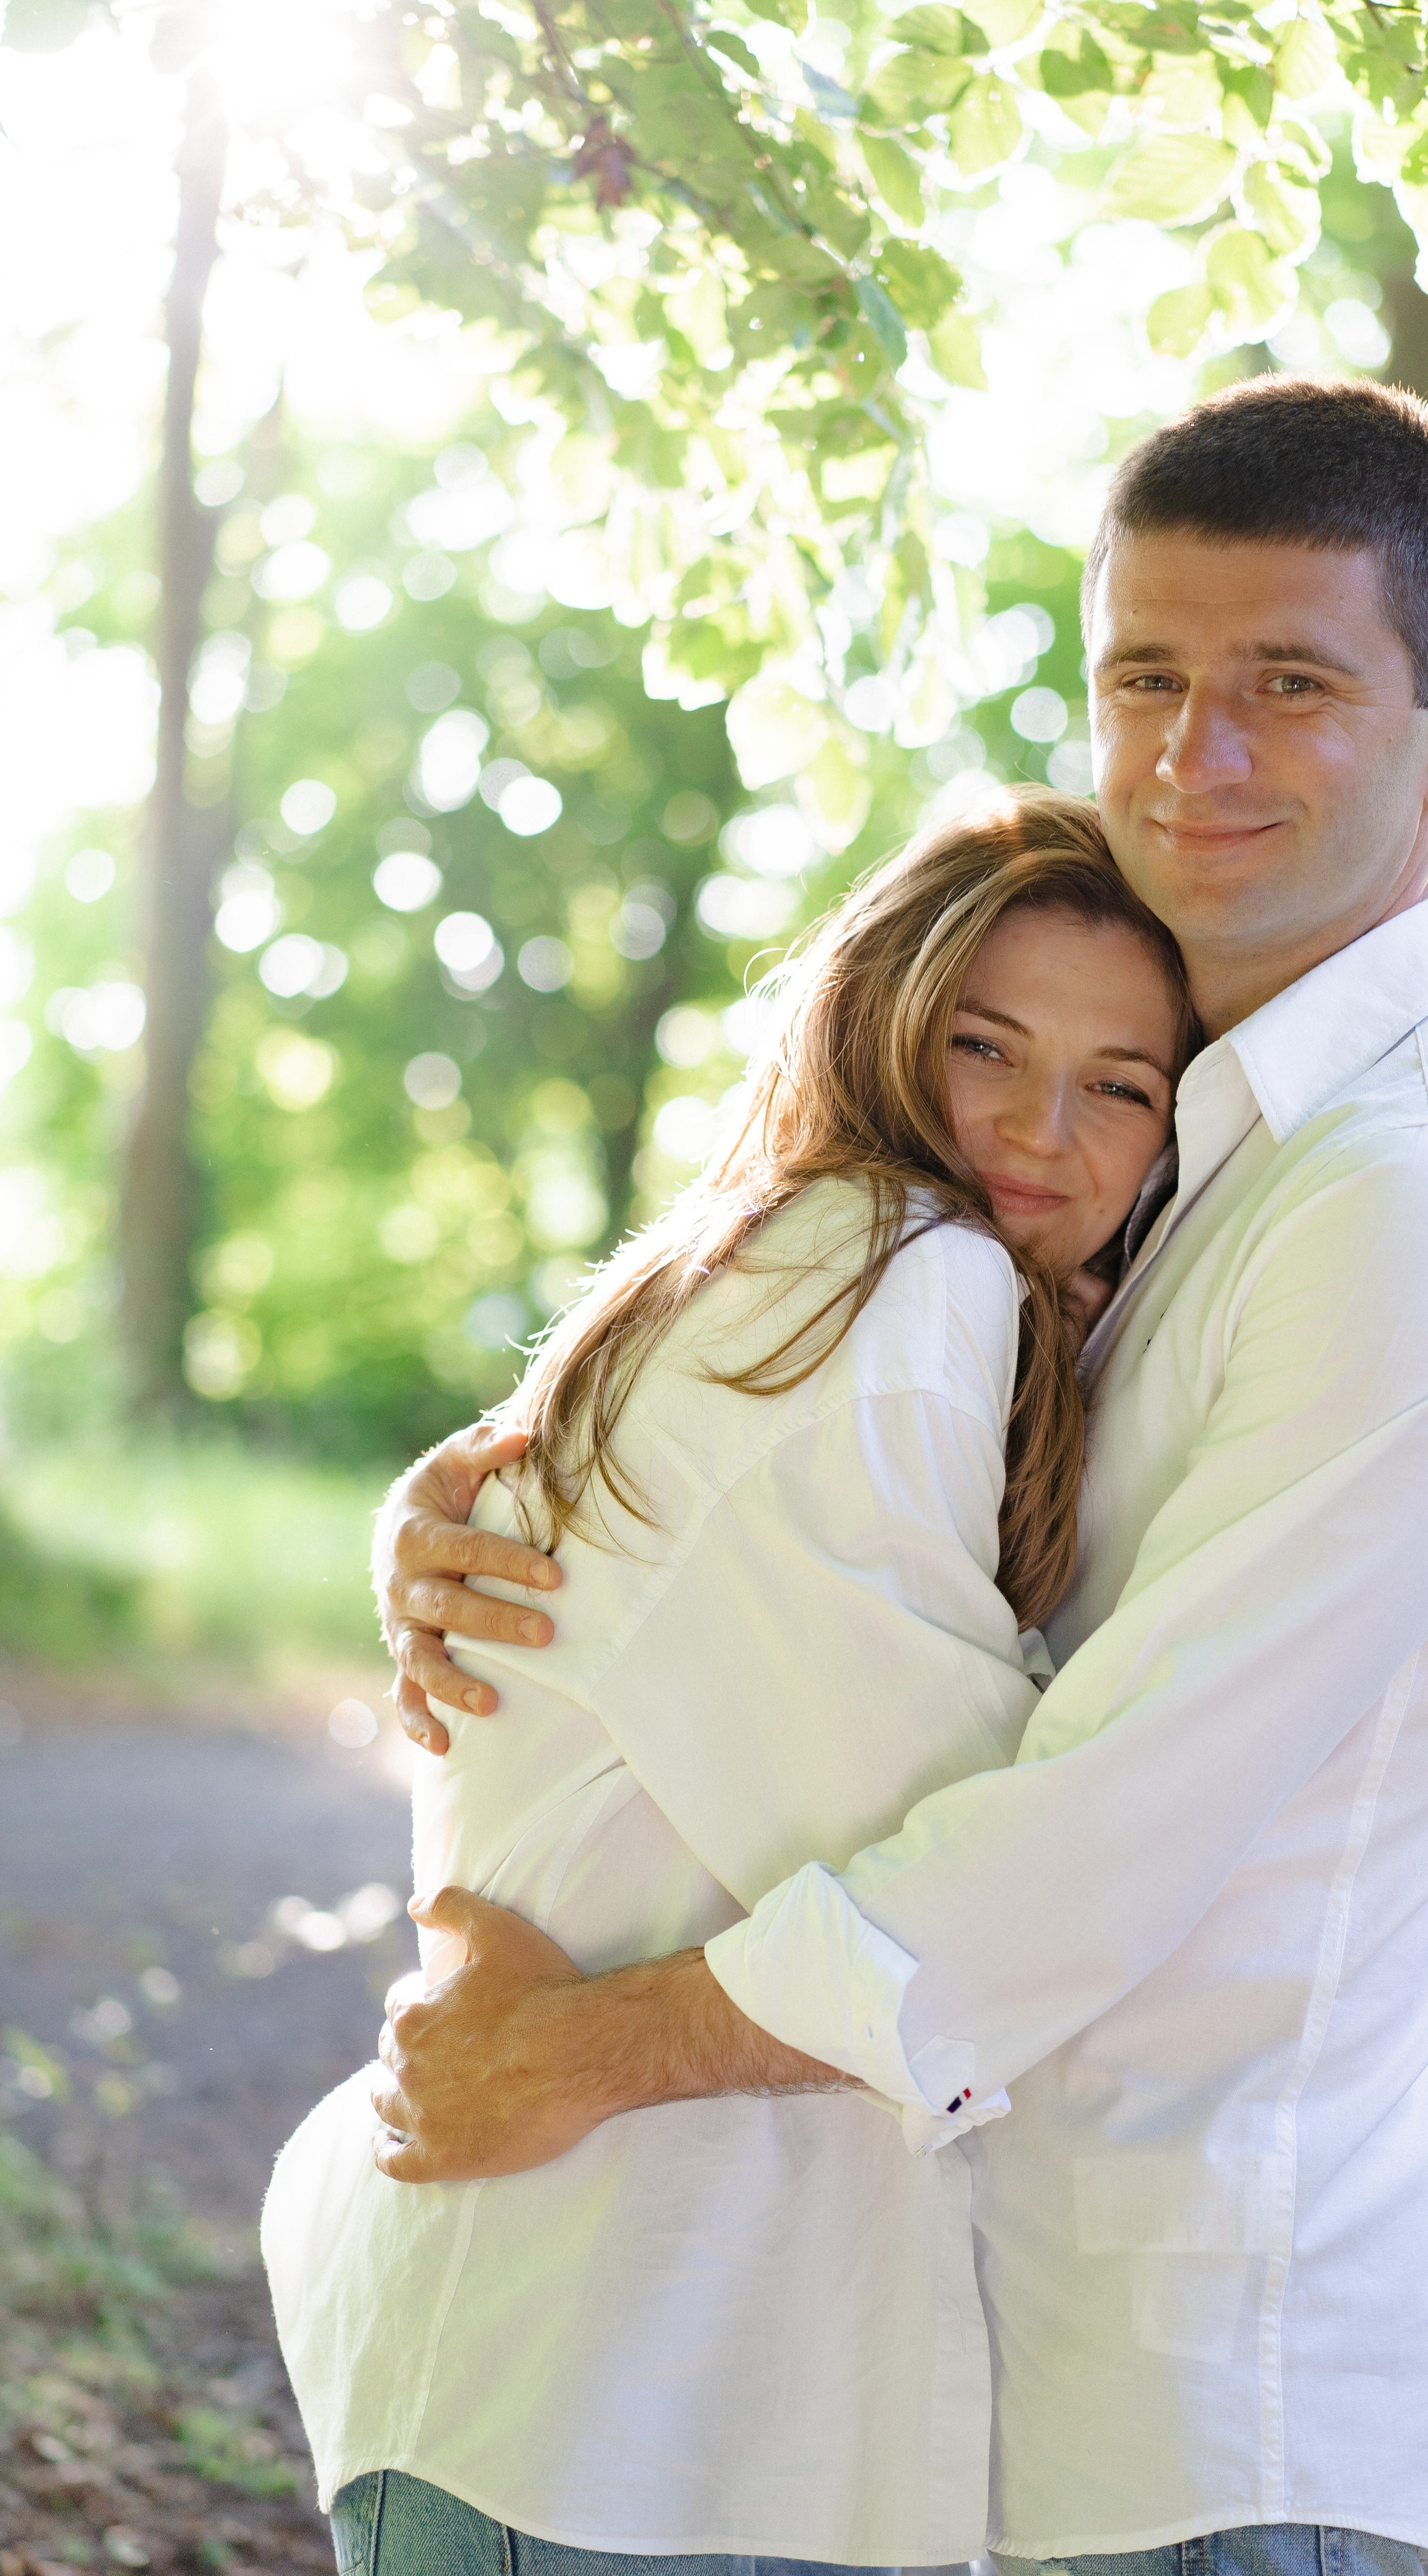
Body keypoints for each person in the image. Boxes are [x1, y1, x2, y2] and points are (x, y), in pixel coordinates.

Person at [376, 379, 1428, 2576]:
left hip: (1213, 2392)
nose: (1196, 757)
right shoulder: (1175, 1147)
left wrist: (581, 2051)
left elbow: (1105, 1820)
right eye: (1147, 677)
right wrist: (528, 1501)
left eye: (1291, 685)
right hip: (1017, 2352)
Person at [262, 792, 1197, 2572]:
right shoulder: (896, 1271)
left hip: (609, 2394)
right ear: (880, 1026)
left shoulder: (799, 1277)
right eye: (982, 1044)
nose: (1036, 1127)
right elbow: (962, 1888)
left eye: (1122, 1084)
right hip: (602, 2405)